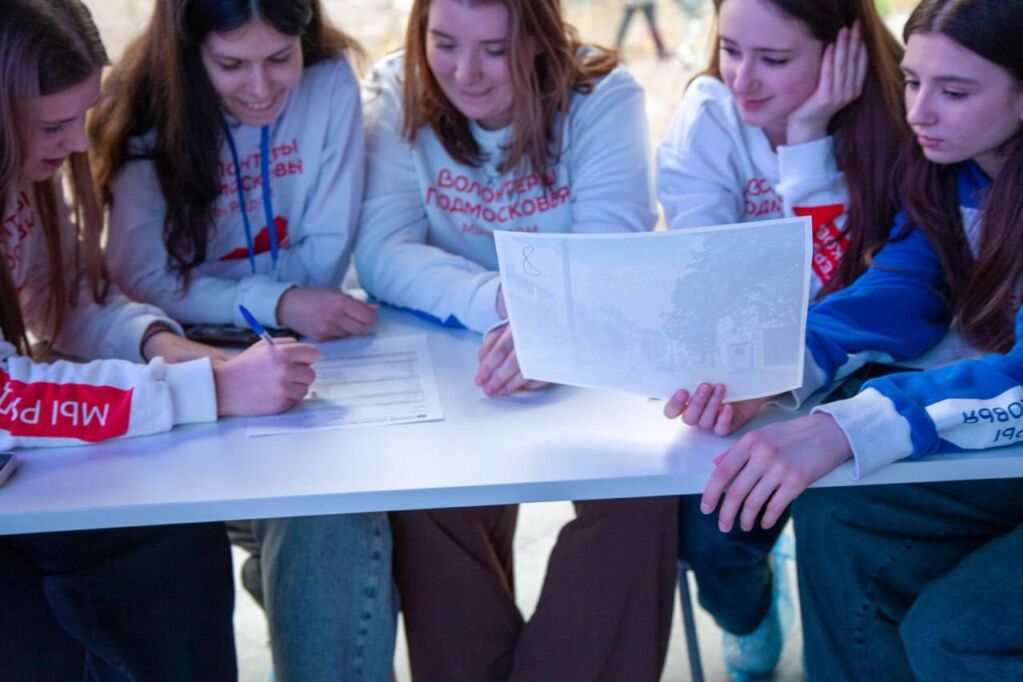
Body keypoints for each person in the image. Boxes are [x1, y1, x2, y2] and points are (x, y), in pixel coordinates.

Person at [686, 0, 1023, 678]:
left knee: (950, 633)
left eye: (954, 92)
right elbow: (901, 289)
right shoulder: (952, 171)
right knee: (833, 508)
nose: (919, 112)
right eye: (913, 81)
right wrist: (778, 365)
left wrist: (846, 425)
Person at [355, 0, 677, 679]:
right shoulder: (396, 87)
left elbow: (610, 253)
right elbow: (383, 252)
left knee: (640, 501)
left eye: (494, 50)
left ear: (537, 39)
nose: (464, 73)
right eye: (444, 43)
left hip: (592, 358)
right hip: (462, 360)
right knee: (426, 501)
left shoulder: (601, 95)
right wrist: (510, 304)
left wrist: (549, 328)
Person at [0, 0, 318, 678]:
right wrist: (207, 390)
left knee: (174, 535)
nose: (77, 145)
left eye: (81, 118)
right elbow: (8, 398)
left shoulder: (20, 173)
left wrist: (159, 346)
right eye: (53, 126)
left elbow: (65, 294)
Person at [89, 1, 395, 679]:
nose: (261, 88)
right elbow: (139, 279)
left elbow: (322, 261)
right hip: (175, 356)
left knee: (335, 514)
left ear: (304, 38)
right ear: (188, 53)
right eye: (231, 64)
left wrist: (217, 289)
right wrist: (277, 298)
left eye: (279, 58)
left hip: (297, 359)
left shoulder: (329, 84)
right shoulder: (140, 105)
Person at [655, 0, 905, 676]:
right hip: (745, 370)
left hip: (868, 365)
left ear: (842, 49)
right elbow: (707, 286)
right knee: (714, 535)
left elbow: (841, 296)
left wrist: (808, 140)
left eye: (773, 58)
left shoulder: (898, 117)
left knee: (843, 523)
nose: (743, 79)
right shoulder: (709, 117)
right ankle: (755, 610)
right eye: (731, 49)